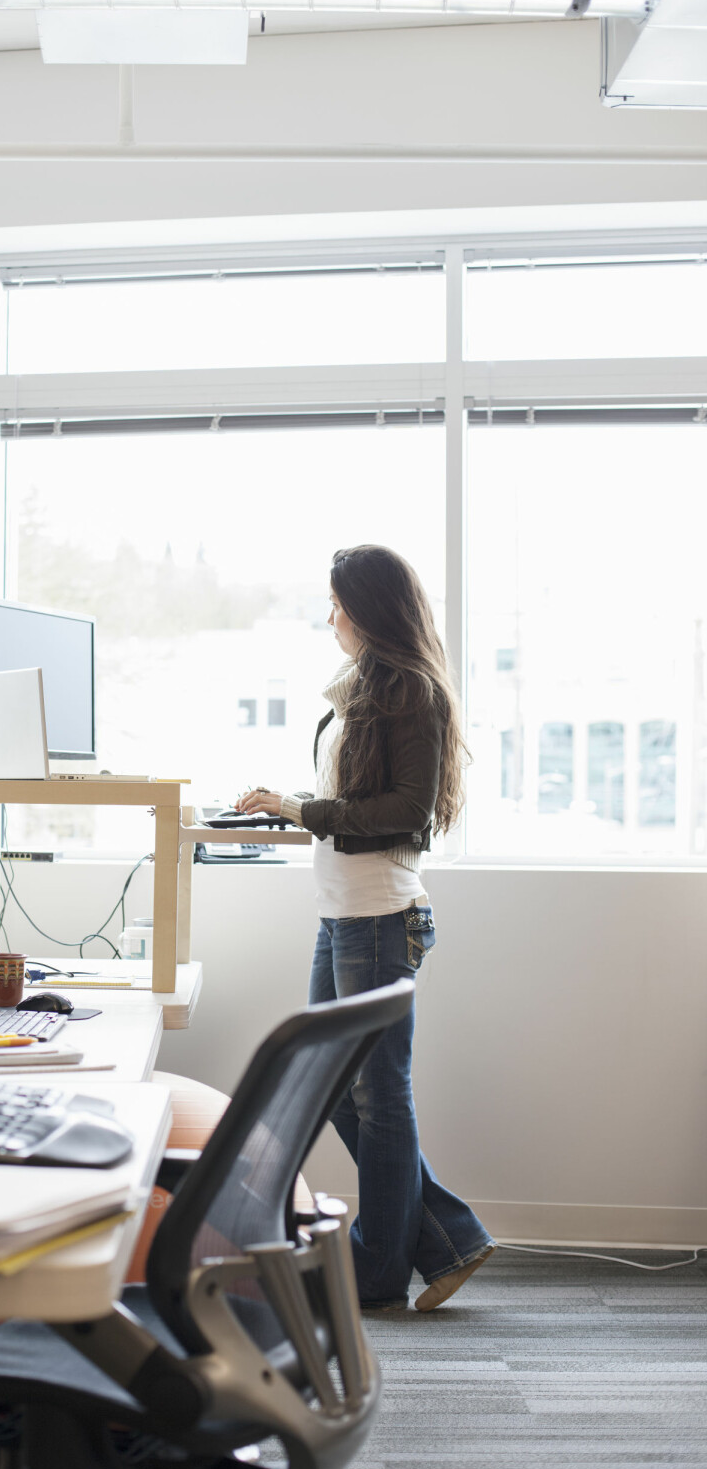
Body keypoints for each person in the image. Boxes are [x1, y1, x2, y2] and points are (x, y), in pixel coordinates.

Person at [237, 544, 495, 1312]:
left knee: (379, 1095)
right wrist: (291, 806)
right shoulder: (367, 690)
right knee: (342, 1089)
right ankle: (448, 1237)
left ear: (369, 608)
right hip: (345, 914)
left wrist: (297, 808)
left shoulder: (411, 692)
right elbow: (354, 801)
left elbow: (405, 813)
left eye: (338, 605)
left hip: (380, 915)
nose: (331, 618)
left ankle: (378, 1272)